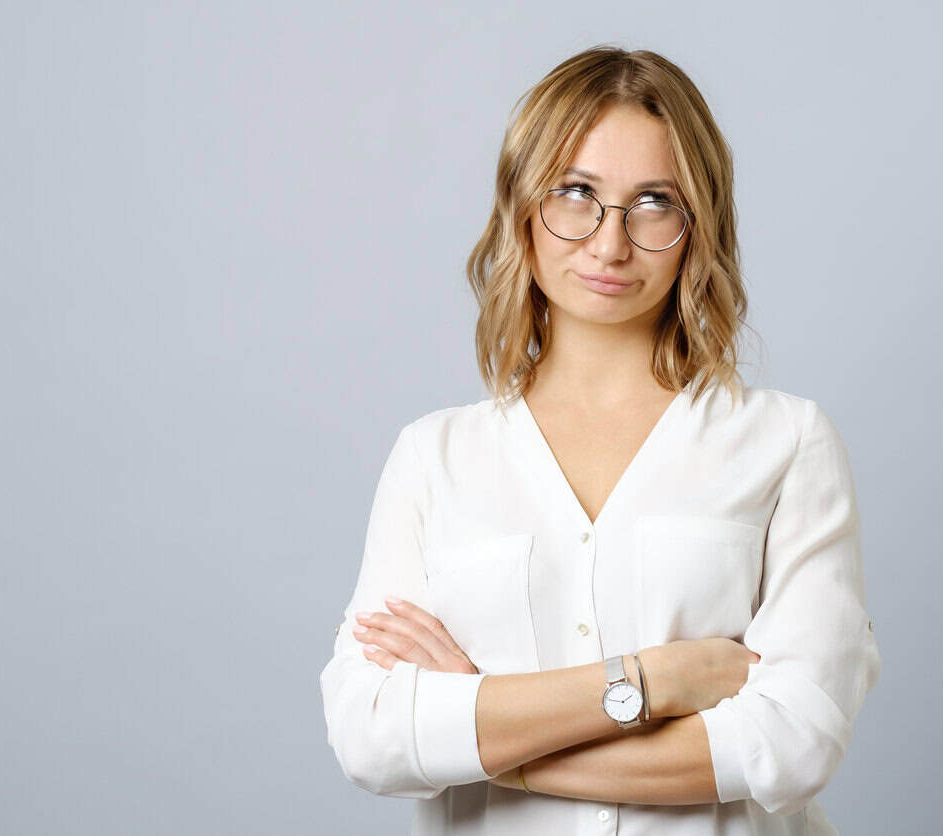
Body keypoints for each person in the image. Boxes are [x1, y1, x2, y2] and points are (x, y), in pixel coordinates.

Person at [319, 44, 881, 835]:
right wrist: (654, 681)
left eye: (653, 201)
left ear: (698, 225)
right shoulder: (433, 459)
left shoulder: (786, 444)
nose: (611, 244)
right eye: (576, 192)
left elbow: (793, 745)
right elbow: (372, 736)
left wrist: (476, 728)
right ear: (522, 204)